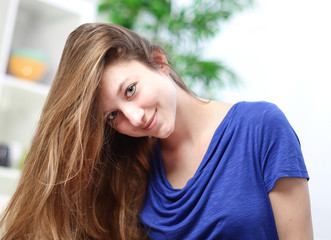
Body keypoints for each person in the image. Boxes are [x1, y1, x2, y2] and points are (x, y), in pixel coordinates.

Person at [0, 23, 313, 240]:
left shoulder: (261, 126)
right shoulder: (136, 167)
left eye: (131, 90)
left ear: (159, 62)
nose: (133, 118)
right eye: (112, 116)